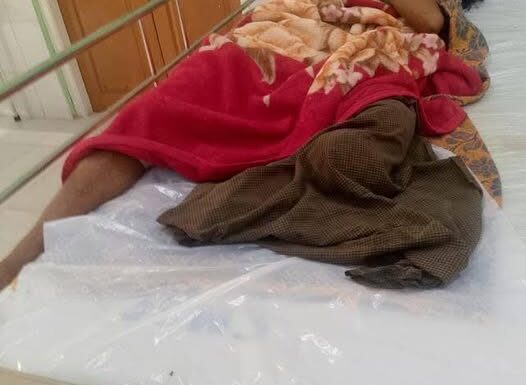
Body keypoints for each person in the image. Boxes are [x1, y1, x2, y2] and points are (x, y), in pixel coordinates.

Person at [0, 0, 481, 289]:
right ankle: (21, 256)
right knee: (152, 111)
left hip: (372, 49)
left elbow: (430, 21)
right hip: (280, 36)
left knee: (371, 143)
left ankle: (258, 205)